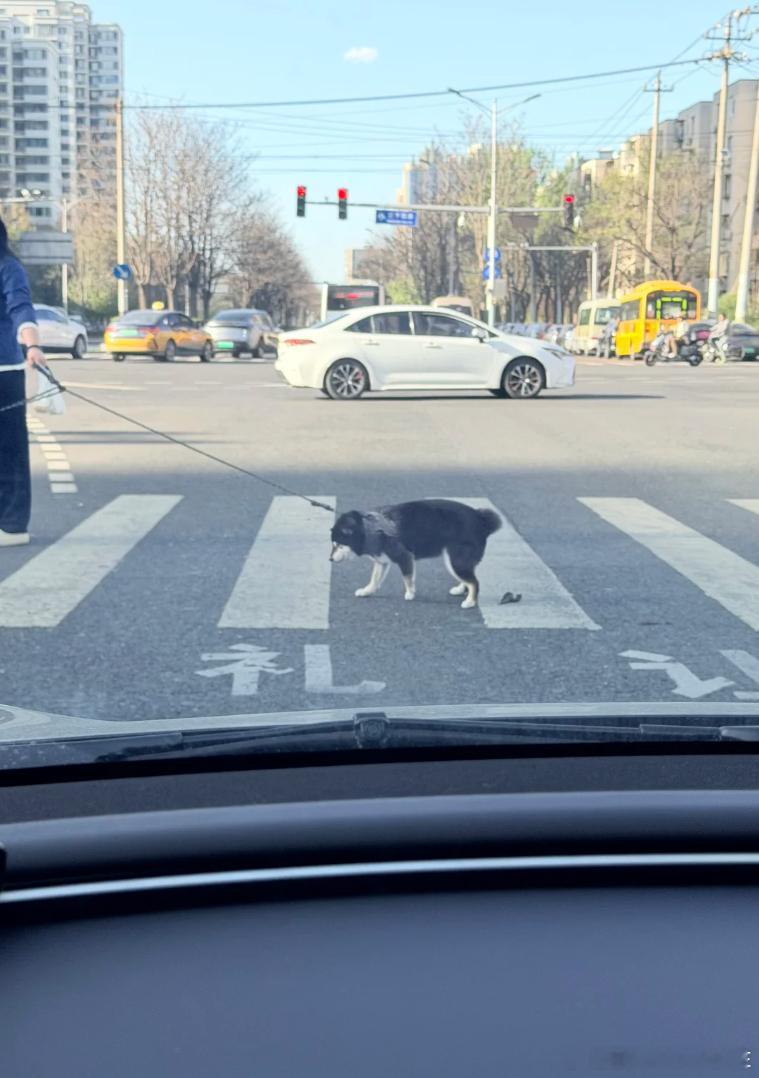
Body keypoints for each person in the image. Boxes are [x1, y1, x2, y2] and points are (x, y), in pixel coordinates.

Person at [0, 217, 44, 546]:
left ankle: (13, 526)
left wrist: (32, 345)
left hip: (4, 371)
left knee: (9, 450)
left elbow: (21, 308)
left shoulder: (8, 267)